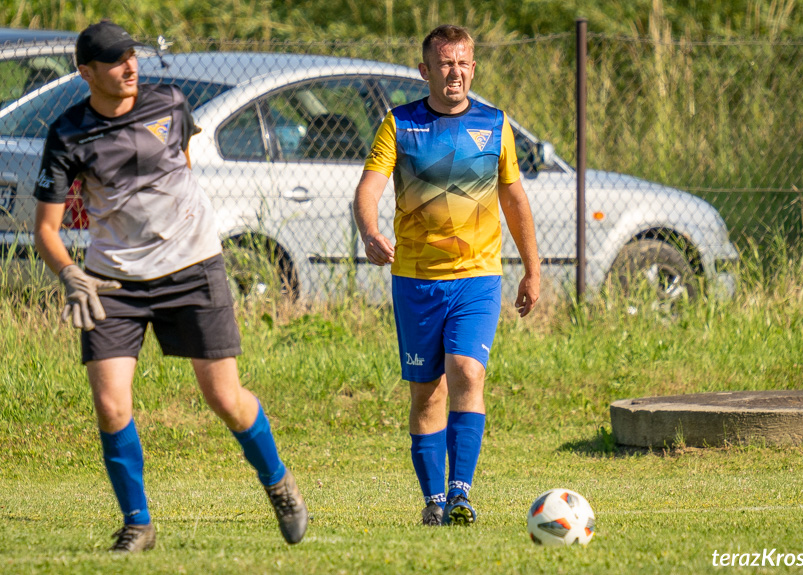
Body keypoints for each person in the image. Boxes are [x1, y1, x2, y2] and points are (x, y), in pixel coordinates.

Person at [33, 20, 307, 552]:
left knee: (223, 395)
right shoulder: (67, 133)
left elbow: (180, 169)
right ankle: (138, 523)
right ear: (85, 72)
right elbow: (45, 230)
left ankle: (279, 483)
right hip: (114, 281)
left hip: (193, 266)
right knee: (111, 404)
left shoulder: (171, 103)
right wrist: (70, 273)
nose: (129, 66)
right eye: (114, 60)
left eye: (132, 55)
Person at [353, 24, 541, 526]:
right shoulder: (399, 124)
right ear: (426, 71)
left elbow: (514, 199)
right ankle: (433, 500)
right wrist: (369, 232)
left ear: (473, 68)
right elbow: (368, 189)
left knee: (467, 370)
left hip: (478, 276)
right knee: (426, 390)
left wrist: (532, 269)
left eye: (462, 63)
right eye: (444, 63)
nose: (454, 72)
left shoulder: (494, 125)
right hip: (415, 280)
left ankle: (461, 492)